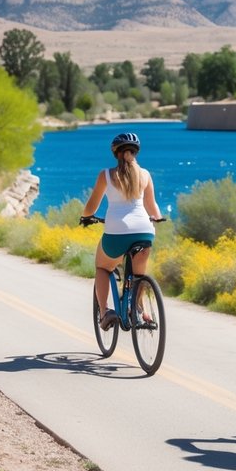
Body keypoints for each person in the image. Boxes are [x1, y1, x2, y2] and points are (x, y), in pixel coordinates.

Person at [80, 132, 164, 330]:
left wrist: (86, 217)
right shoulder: (145, 175)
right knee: (138, 276)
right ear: (135, 152)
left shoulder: (107, 175)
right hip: (145, 231)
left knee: (103, 267)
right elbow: (152, 207)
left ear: (116, 153)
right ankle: (138, 311)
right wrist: (157, 219)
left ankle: (105, 312)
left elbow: (91, 207)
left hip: (117, 232)